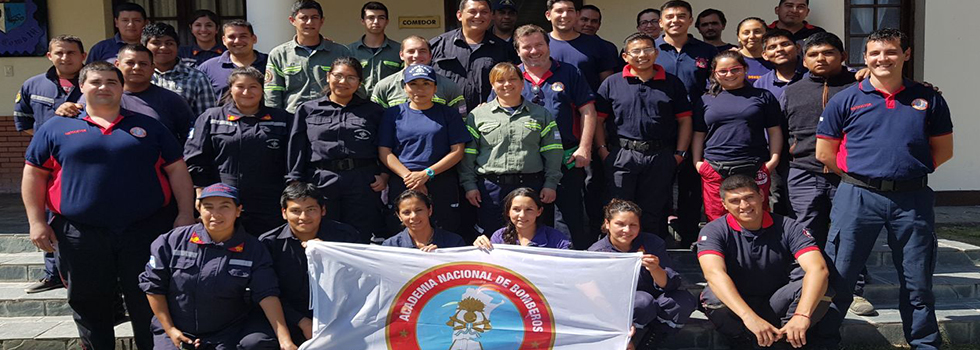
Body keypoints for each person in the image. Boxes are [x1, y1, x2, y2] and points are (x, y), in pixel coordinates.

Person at [23, 61, 195, 350]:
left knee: (148, 300)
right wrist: (36, 221)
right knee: (90, 304)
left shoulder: (148, 126)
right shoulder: (56, 127)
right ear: (82, 87)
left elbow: (177, 171)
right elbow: (34, 174)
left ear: (122, 86)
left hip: (144, 230)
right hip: (80, 233)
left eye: (111, 82)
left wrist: (185, 213)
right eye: (96, 82)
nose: (104, 87)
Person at [817, 29, 954, 350]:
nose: (882, 59)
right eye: (875, 53)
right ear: (864, 58)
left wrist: (903, 172)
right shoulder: (846, 99)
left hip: (912, 199)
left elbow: (943, 151)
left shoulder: (929, 99)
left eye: (891, 52)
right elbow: (825, 153)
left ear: (906, 55)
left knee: (917, 279)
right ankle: (821, 341)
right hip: (858, 197)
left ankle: (924, 343)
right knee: (839, 277)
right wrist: (865, 179)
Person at [782, 32, 875, 317]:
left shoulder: (861, 87)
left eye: (828, 53)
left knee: (849, 232)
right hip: (803, 171)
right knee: (807, 230)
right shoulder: (793, 90)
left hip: (849, 174)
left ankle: (852, 290)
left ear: (843, 56)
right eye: (813, 54)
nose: (820, 59)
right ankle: (805, 287)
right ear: (803, 58)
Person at [139, 184, 297, 350]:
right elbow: (153, 287)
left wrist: (285, 340)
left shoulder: (253, 249)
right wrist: (170, 330)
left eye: (225, 207)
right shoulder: (171, 241)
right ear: (198, 209)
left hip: (227, 332)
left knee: (258, 342)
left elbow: (267, 294)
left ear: (238, 211)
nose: (216, 214)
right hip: (175, 330)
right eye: (208, 207)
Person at [697, 175, 838, 349]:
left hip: (777, 300)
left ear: (761, 196)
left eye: (749, 197)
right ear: (724, 205)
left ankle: (786, 339)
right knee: (713, 296)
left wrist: (802, 315)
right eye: (735, 201)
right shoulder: (713, 230)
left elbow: (818, 269)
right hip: (738, 306)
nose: (744, 206)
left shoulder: (789, 227)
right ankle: (744, 341)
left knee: (821, 288)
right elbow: (713, 273)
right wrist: (749, 317)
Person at [498, 24, 597, 249]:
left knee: (569, 218)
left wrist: (584, 148)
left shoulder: (570, 72)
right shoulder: (510, 75)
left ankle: (569, 267)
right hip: (526, 162)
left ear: (548, 45)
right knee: (527, 217)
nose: (534, 51)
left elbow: (587, 110)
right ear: (517, 50)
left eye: (539, 45)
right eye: (527, 47)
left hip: (567, 157)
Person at [595, 33, 692, 241]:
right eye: (636, 51)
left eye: (647, 50)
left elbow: (685, 120)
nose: (642, 55)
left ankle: (650, 256)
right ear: (625, 56)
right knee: (617, 208)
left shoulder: (672, 83)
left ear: (656, 53)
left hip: (660, 156)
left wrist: (679, 154)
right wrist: (603, 150)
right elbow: (598, 121)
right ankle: (616, 255)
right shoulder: (612, 83)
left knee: (653, 211)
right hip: (622, 154)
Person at [14, 35, 86, 295]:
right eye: (59, 53)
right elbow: (23, 121)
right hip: (46, 165)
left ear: (83, 56)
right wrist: (51, 142)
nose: (65, 57)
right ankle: (52, 273)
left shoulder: (94, 82)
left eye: (71, 53)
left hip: (82, 164)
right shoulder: (33, 85)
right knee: (47, 217)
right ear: (49, 55)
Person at [287, 57, 388, 243]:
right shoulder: (307, 110)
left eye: (351, 78)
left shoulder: (373, 111)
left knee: (361, 235)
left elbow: (384, 145)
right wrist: (296, 180)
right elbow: (297, 147)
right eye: (338, 75)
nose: (343, 82)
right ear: (328, 76)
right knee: (325, 232)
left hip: (362, 180)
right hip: (320, 179)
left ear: (359, 82)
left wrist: (384, 174)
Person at [184, 66, 292, 236]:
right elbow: (195, 160)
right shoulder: (211, 118)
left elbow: (292, 161)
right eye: (240, 86)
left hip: (269, 202)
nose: (246, 92)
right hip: (223, 201)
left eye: (253, 87)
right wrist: (201, 196)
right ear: (231, 89)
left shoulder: (282, 119)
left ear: (262, 90)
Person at [459, 62, 563, 236]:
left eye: (513, 79)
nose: (507, 84)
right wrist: (469, 185)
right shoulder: (477, 116)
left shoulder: (541, 114)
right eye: (500, 80)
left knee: (531, 235)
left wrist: (550, 183)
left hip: (530, 185)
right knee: (491, 237)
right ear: (493, 85)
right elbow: (468, 154)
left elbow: (553, 151)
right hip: (491, 188)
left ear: (522, 83)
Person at [588, 199, 697, 350]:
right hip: (622, 310)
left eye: (633, 225)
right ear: (607, 224)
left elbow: (670, 283)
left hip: (658, 301)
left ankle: (653, 340)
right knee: (642, 301)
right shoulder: (597, 253)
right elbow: (594, 294)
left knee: (683, 301)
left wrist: (655, 269)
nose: (627, 230)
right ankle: (629, 339)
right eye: (620, 224)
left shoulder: (652, 243)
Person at [259, 182, 360, 345]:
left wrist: (329, 253)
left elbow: (360, 280)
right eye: (295, 211)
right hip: (288, 318)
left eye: (311, 210)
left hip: (339, 317)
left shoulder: (345, 236)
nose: (304, 217)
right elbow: (267, 291)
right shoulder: (269, 243)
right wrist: (301, 321)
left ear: (323, 210)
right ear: (284, 213)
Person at [379, 64, 471, 235]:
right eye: (413, 84)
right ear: (405, 87)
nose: (419, 89)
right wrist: (410, 178)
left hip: (440, 181)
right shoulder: (393, 114)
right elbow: (385, 151)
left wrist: (426, 174)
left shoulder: (448, 114)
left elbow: (458, 151)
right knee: (401, 233)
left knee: (444, 232)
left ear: (435, 88)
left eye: (426, 84)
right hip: (403, 181)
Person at [655, 0, 718, 247]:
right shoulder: (651, 50)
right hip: (659, 126)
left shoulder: (706, 52)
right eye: (669, 17)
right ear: (661, 22)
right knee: (658, 185)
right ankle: (659, 236)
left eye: (682, 16)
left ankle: (690, 237)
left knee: (691, 185)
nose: (675, 21)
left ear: (690, 21)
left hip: (697, 127)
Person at [692, 51, 783, 221]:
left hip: (754, 165)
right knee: (717, 218)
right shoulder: (706, 100)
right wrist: (698, 163)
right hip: (715, 167)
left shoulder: (762, 96)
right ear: (714, 73)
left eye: (735, 69)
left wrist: (773, 160)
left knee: (755, 215)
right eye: (723, 71)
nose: (730, 74)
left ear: (745, 69)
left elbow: (774, 130)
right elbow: (698, 133)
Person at [58, 45, 195, 143]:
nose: (136, 68)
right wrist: (67, 109)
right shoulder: (98, 95)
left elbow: (190, 138)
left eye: (143, 63)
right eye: (130, 63)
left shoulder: (172, 100)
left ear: (153, 68)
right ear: (117, 64)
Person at [429, 0, 518, 112]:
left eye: (484, 12)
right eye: (472, 11)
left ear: (491, 16)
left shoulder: (504, 49)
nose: (478, 16)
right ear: (460, 15)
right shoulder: (438, 46)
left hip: (488, 118)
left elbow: (514, 83)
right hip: (444, 117)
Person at [265, 0, 353, 113]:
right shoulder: (279, 54)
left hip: (331, 117)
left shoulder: (340, 52)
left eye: (314, 17)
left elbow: (353, 87)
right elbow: (273, 94)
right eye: (304, 18)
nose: (309, 22)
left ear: (322, 21)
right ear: (292, 21)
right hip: (293, 118)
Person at [370, 36, 466, 116]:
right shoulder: (384, 86)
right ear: (401, 55)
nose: (416, 56)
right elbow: (376, 119)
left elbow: (460, 120)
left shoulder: (449, 87)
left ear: (430, 56)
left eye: (422, 51)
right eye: (411, 51)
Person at [143, 22, 218, 117]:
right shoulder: (137, 75)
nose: (163, 47)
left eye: (169, 43)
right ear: (144, 47)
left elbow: (207, 118)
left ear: (177, 47)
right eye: (156, 43)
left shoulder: (196, 78)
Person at [545, 0, 616, 92]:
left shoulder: (597, 44)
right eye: (559, 11)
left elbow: (607, 85)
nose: (565, 15)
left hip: (590, 105)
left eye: (570, 10)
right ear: (548, 15)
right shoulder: (539, 44)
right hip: (547, 105)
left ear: (577, 15)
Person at [473, 187, 571, 249]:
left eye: (529, 210)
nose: (522, 215)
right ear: (508, 212)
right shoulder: (499, 237)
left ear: (539, 211)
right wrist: (481, 247)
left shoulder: (557, 239)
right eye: (516, 209)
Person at [198, 20, 269, 99]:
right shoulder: (208, 68)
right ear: (224, 40)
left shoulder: (270, 63)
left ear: (254, 39)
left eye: (243, 36)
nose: (237, 41)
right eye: (231, 37)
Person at [348, 1, 402, 98]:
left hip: (389, 105)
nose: (376, 22)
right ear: (362, 21)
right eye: (371, 18)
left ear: (387, 21)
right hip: (358, 106)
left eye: (381, 18)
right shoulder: (349, 51)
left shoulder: (399, 50)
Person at [383, 190, 467, 250]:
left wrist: (440, 257)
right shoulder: (391, 246)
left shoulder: (454, 242)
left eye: (419, 210)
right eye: (406, 212)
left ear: (429, 210)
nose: (413, 216)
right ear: (399, 216)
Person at [753, 29, 806, 101]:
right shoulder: (761, 84)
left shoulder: (812, 74)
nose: (779, 49)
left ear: (797, 48)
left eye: (785, 44)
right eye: (772, 47)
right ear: (765, 55)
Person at [735, 17, 774, 84]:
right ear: (738, 37)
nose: (752, 36)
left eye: (757, 32)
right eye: (746, 33)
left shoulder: (775, 59)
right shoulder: (731, 59)